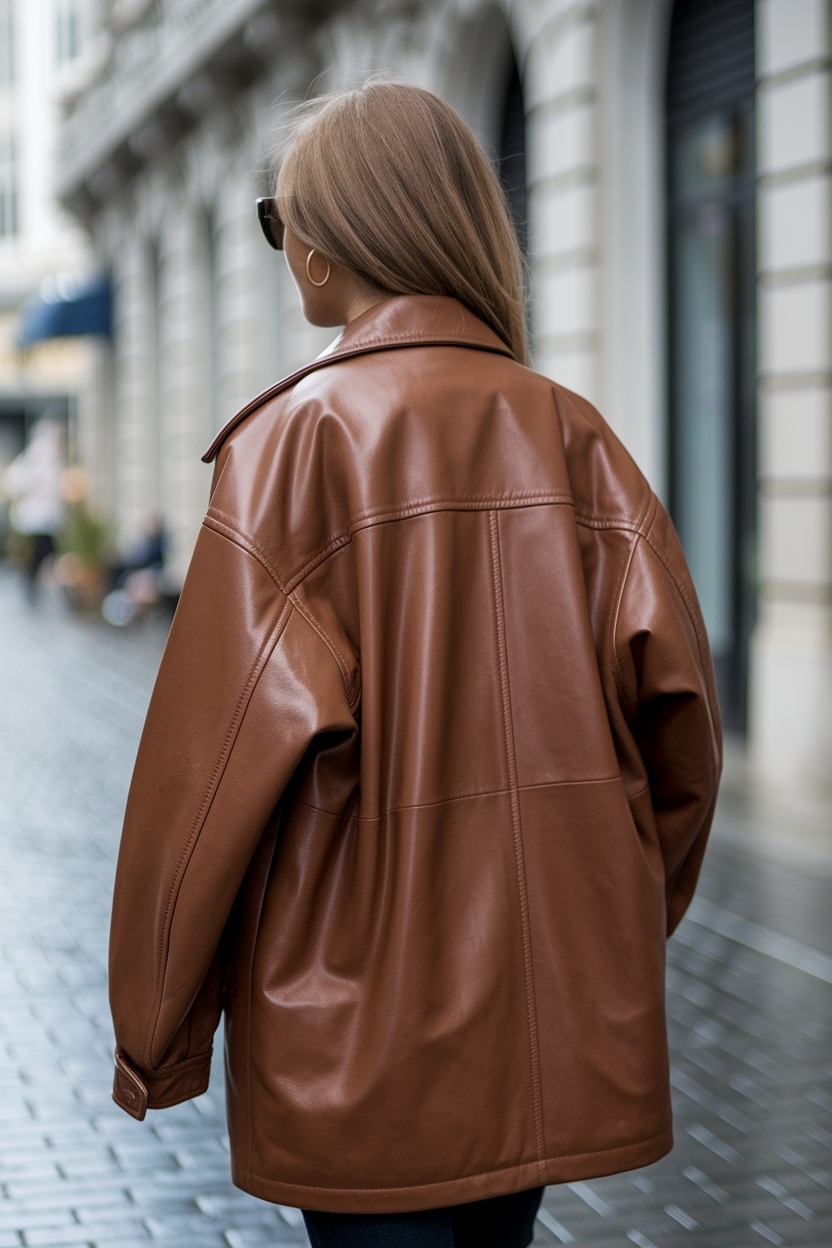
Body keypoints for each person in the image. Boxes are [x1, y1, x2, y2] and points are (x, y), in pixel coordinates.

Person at [108, 83, 721, 1248]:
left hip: (354, 1046)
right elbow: (683, 748)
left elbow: (203, 792)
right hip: (546, 1028)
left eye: (276, 218)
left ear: (331, 243)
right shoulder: (578, 436)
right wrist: (610, 933)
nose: (283, 245)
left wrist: (155, 1030)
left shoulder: (292, 446)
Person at [4, 419, 66, 598]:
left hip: (48, 520)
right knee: (40, 554)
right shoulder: (36, 457)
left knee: (46, 554)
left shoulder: (55, 461)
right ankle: (32, 585)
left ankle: (36, 585)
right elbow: (17, 480)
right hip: (36, 520)